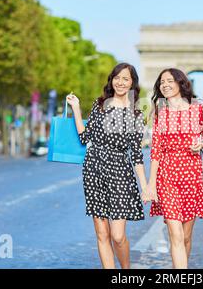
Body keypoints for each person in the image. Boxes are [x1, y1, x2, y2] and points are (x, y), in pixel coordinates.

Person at [66, 63, 148, 269]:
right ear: (112, 80)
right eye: (117, 78)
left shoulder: (137, 114)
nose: (120, 82)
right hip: (94, 169)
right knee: (102, 233)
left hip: (121, 172)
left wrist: (145, 186)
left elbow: (137, 154)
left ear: (132, 84)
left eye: (126, 79)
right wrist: (76, 108)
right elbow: (85, 138)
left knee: (118, 236)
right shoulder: (100, 104)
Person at [145, 68, 203, 269]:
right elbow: (156, 149)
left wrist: (201, 143)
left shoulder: (198, 109)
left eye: (169, 81)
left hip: (192, 175)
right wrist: (151, 184)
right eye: (162, 82)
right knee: (175, 234)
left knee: (186, 236)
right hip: (167, 176)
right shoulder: (160, 112)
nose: (165, 85)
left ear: (180, 82)